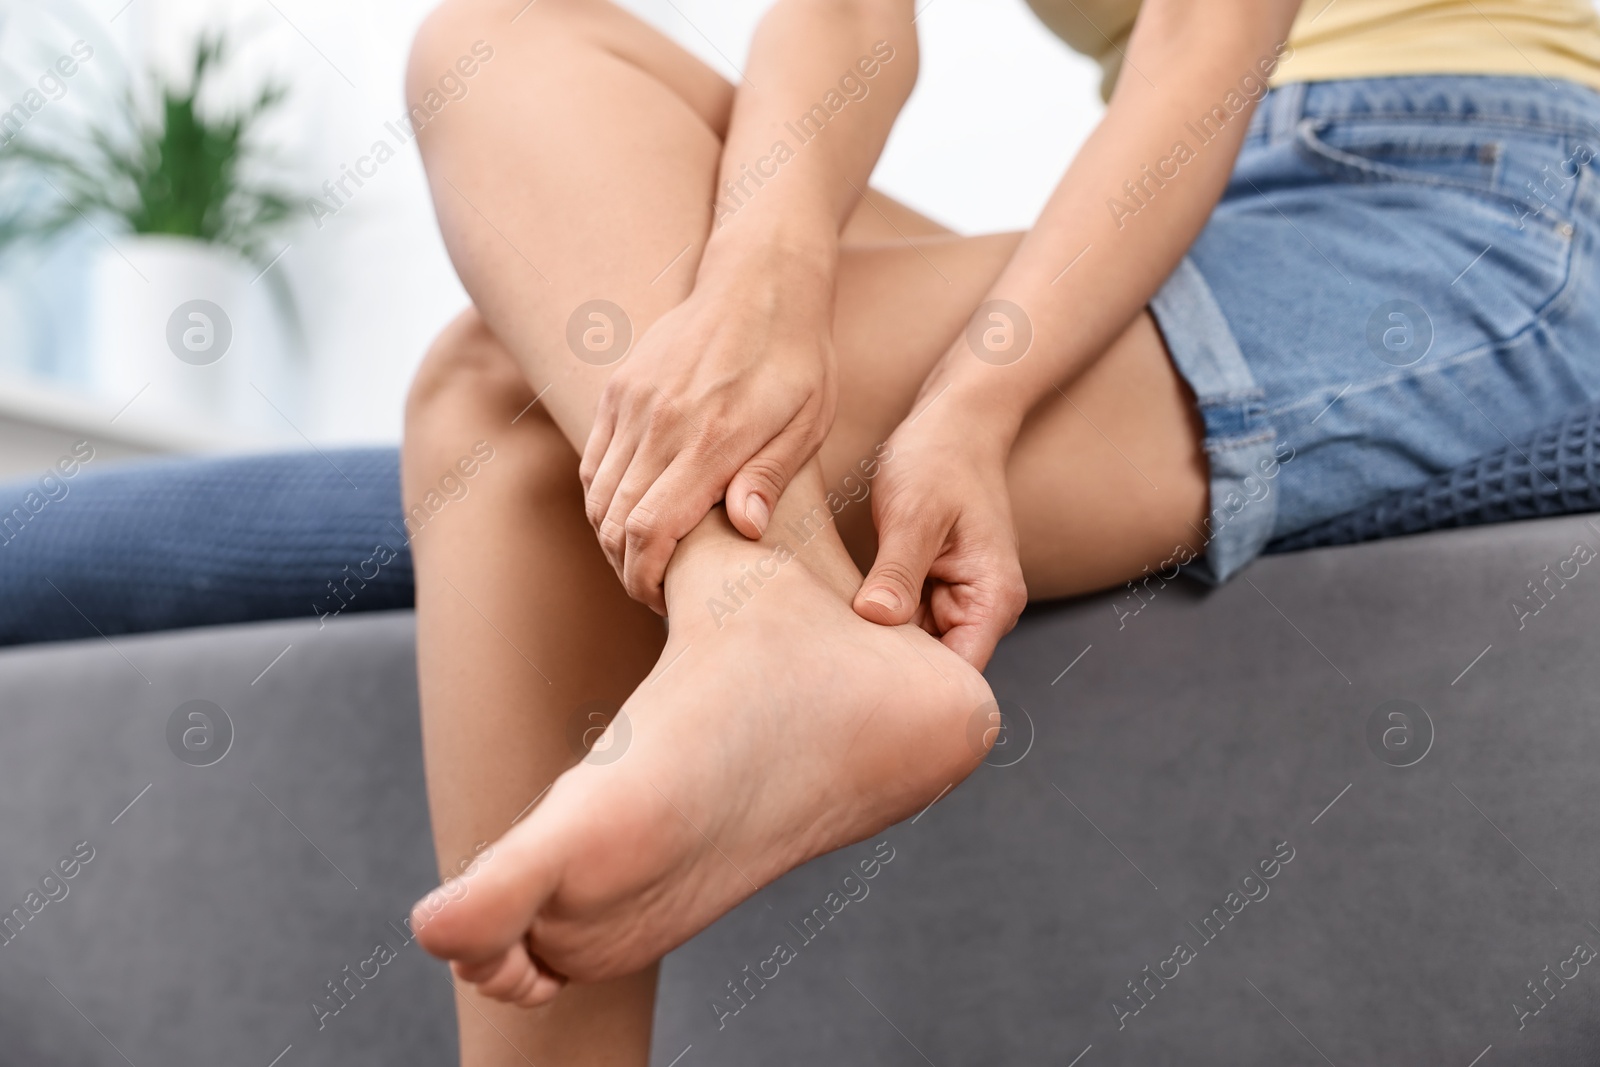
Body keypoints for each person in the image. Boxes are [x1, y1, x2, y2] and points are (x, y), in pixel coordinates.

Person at [398, 0, 1600, 1061]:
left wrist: (979, 397)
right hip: (1188, 219)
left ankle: (768, 632)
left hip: (1470, 201)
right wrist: (757, 293)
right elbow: (847, 19)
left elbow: (1207, 35)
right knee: (492, 37)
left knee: (503, 408)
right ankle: (754, 614)